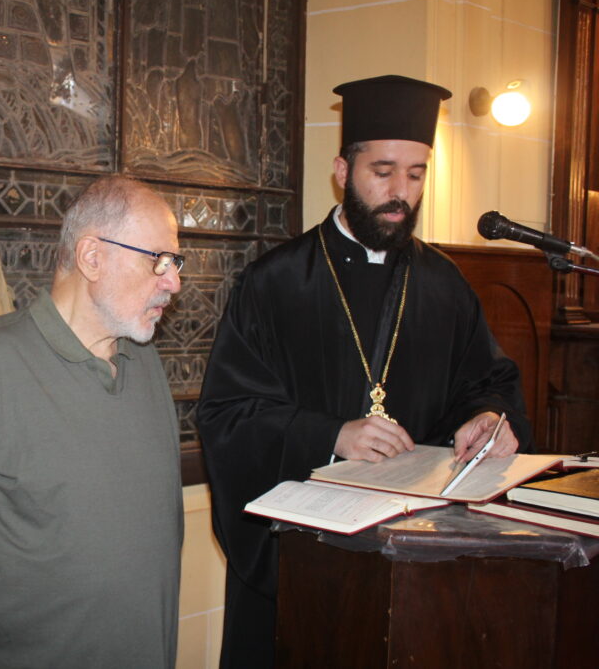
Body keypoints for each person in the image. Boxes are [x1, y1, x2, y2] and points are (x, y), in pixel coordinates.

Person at [197, 75, 534, 668]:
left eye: (416, 174)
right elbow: (227, 415)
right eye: (383, 172)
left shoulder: (445, 285)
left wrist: (489, 417)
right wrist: (330, 434)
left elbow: (488, 383)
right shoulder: (275, 283)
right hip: (306, 565)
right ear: (342, 171)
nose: (400, 192)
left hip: (418, 562)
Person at [0, 175, 184, 669]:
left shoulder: (144, 360)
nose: (173, 281)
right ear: (92, 257)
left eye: (176, 262)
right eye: (158, 260)